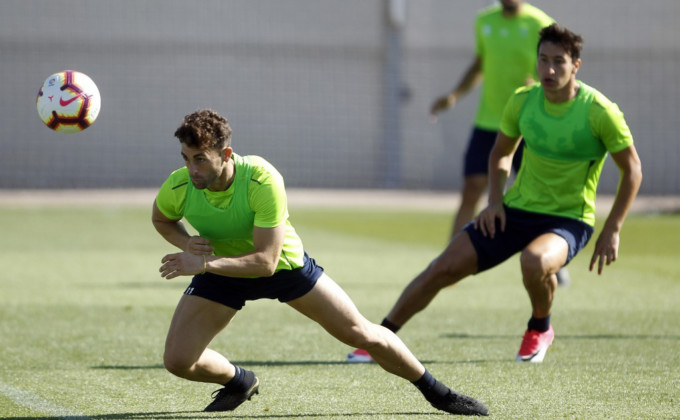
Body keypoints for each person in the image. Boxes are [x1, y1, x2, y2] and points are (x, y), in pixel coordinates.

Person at [151, 109, 489, 415]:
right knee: (178, 360)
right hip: (222, 270)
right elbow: (162, 218)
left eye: (200, 159)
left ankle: (437, 393)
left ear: (226, 155)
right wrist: (187, 244)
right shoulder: (180, 184)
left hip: (283, 268)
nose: (191, 169)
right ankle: (239, 381)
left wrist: (205, 264)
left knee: (361, 333)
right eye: (185, 158)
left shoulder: (261, 180)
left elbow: (266, 262)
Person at [348, 24, 642, 364]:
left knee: (534, 262)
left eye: (558, 62)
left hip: (569, 218)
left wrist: (614, 228)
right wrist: (494, 202)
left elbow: (632, 169)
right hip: (514, 211)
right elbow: (501, 154)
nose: (548, 70)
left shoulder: (599, 111)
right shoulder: (522, 101)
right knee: (441, 268)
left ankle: (539, 327)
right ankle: (381, 339)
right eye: (542, 60)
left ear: (576, 65)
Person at [429, 1, 571, 287]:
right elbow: (481, 63)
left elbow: (557, 65)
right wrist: (455, 95)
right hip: (489, 122)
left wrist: (543, 85)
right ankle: (449, 260)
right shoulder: (484, 21)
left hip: (528, 123)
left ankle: (555, 258)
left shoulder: (540, 24)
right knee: (471, 188)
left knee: (540, 194)